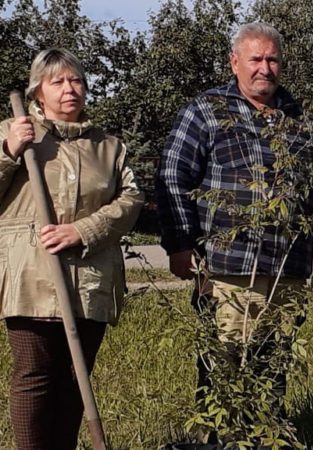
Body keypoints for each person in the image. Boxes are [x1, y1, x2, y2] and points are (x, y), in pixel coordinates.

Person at [155, 21, 313, 427]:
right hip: (226, 269)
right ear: (234, 62)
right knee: (222, 366)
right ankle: (219, 437)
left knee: (274, 365)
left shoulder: (301, 117)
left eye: (272, 58)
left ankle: (265, 435)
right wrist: (180, 244)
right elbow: (173, 175)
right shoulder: (206, 110)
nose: (265, 67)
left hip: (287, 270)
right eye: (255, 58)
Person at [0, 48, 144, 450]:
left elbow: (131, 199)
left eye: (76, 80)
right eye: (57, 82)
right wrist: (9, 152)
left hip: (91, 274)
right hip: (31, 275)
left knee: (75, 375)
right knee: (34, 374)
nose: (69, 89)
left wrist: (84, 230)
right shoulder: (14, 133)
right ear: (38, 92)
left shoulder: (108, 146)